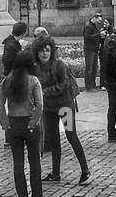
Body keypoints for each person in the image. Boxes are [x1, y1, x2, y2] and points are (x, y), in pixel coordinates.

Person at [33, 38, 90, 184]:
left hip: (65, 105)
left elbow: (63, 84)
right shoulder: (36, 67)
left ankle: (85, 170)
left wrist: (45, 92)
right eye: (42, 50)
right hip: (49, 108)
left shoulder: (59, 64)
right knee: (53, 140)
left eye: (47, 50)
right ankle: (55, 173)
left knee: (71, 136)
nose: (45, 53)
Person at [0, 49, 45, 197]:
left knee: (18, 162)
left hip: (13, 123)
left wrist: (5, 124)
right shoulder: (33, 80)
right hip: (29, 122)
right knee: (34, 160)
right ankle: (37, 196)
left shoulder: (7, 81)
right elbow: (39, 105)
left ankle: (22, 195)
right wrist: (33, 123)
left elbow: (0, 105)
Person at [82, 13, 106, 92]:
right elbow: (88, 37)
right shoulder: (88, 26)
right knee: (89, 68)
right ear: (95, 18)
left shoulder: (93, 26)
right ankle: (89, 86)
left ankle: (93, 85)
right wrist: (99, 34)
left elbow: (94, 35)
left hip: (94, 50)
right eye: (99, 21)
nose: (99, 22)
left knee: (94, 68)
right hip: (89, 50)